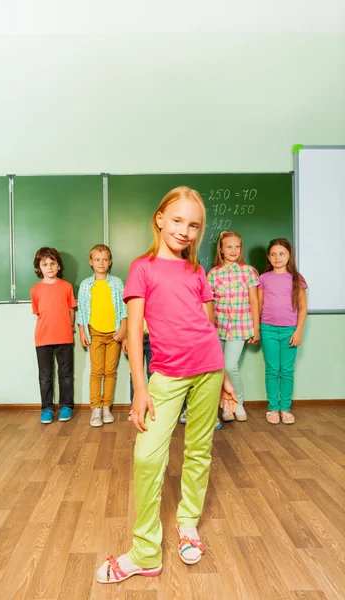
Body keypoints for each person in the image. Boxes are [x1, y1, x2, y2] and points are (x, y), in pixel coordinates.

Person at [96, 186, 237, 584]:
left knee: (199, 449)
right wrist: (140, 389)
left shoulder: (196, 271)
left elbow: (207, 325)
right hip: (167, 375)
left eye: (194, 225)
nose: (185, 231)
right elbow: (135, 333)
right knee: (147, 457)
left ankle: (188, 523)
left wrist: (224, 375)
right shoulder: (142, 268)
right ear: (159, 218)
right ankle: (145, 551)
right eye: (177, 221)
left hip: (209, 367)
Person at [207, 230, 259, 423]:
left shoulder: (248, 271)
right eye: (229, 247)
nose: (233, 250)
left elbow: (254, 301)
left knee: (230, 365)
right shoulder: (213, 274)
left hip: (240, 326)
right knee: (217, 368)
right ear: (221, 249)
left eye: (237, 246)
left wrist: (256, 328)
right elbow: (208, 303)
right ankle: (225, 405)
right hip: (218, 327)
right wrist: (210, 327)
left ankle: (239, 403)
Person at [258, 238, 307, 424]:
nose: (277, 257)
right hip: (268, 329)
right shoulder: (263, 279)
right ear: (268, 257)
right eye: (273, 254)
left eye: (282, 254)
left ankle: (285, 407)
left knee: (286, 370)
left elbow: (303, 307)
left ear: (289, 256)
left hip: (290, 331)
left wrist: (298, 331)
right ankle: (273, 408)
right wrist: (257, 328)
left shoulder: (297, 279)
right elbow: (260, 305)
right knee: (271, 369)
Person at [77, 244, 127, 427]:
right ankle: (95, 408)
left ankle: (107, 406)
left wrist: (123, 328)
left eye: (105, 259)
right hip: (95, 333)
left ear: (110, 261)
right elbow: (81, 310)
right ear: (91, 262)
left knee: (110, 371)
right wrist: (82, 330)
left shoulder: (116, 283)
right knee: (97, 372)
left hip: (114, 334)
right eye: (97, 259)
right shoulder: (85, 285)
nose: (101, 262)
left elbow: (124, 308)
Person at [30, 247, 76, 424]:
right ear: (39, 268)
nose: (49, 267)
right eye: (45, 264)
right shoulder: (35, 290)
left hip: (64, 338)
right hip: (43, 339)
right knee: (45, 376)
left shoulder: (66, 286)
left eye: (52, 263)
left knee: (65, 375)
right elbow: (39, 313)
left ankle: (66, 406)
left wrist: (70, 327)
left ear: (58, 266)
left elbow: (71, 309)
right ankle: (47, 408)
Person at [126, 320, 152, 422]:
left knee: (153, 374)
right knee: (135, 373)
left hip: (153, 336)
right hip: (136, 336)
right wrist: (126, 338)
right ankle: (134, 406)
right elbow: (128, 316)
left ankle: (153, 406)